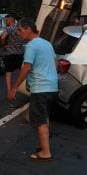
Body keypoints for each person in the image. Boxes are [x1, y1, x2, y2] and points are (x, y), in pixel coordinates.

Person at [7, 18, 58, 161]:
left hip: (41, 88)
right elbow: (55, 63)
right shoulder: (47, 43)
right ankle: (44, 145)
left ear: (28, 29)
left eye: (20, 30)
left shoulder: (31, 46)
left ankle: (45, 152)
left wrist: (14, 87)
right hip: (51, 87)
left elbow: (27, 67)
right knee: (43, 116)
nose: (18, 33)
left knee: (39, 120)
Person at [0, 13, 25, 102]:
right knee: (19, 71)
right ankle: (18, 88)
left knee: (8, 72)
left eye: (6, 20)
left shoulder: (8, 28)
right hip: (20, 53)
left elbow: (3, 37)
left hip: (10, 53)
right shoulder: (20, 29)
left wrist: (3, 45)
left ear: (12, 19)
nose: (6, 22)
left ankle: (9, 91)